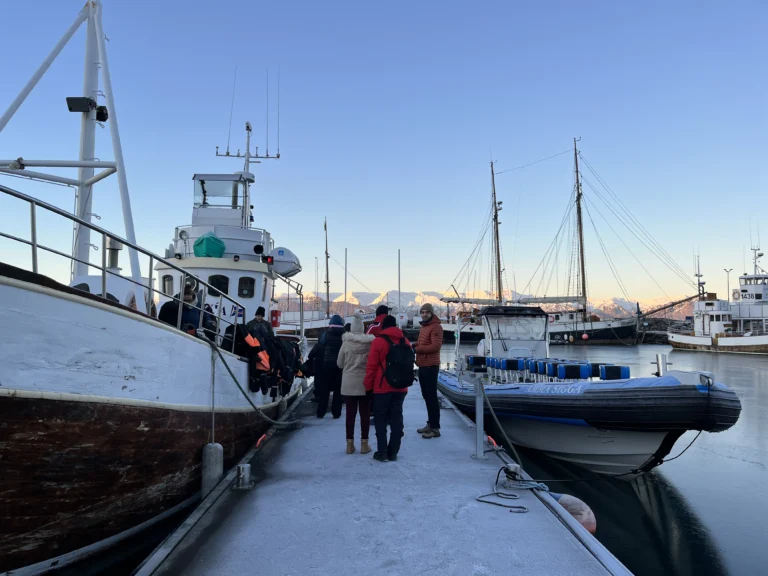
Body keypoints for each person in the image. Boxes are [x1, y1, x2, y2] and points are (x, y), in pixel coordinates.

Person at [364, 315, 410, 462]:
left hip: (382, 387)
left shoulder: (378, 342)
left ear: (383, 326)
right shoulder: (406, 341)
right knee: (397, 418)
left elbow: (371, 367)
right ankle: (393, 452)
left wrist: (368, 387)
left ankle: (382, 452)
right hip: (401, 387)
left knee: (380, 419)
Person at [337, 311, 374, 454]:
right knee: (365, 414)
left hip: (348, 382)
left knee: (350, 415)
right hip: (365, 383)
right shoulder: (369, 344)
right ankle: (364, 444)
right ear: (363, 329)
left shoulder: (345, 343)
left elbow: (339, 364)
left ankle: (349, 445)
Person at [413, 303, 443, 438]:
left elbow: (435, 346)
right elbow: (423, 343)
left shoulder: (436, 327)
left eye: (427, 312)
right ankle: (430, 424)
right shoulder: (424, 327)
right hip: (423, 365)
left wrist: (417, 349)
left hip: (431, 366)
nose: (424, 314)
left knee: (431, 397)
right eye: (422, 312)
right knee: (427, 397)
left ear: (431, 313)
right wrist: (413, 345)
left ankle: (435, 428)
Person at [317, 314, 346, 419]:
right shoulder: (345, 335)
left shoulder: (326, 334)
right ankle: (336, 413)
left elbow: (320, 344)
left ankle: (321, 412)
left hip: (327, 364)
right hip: (339, 365)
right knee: (338, 390)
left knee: (325, 390)